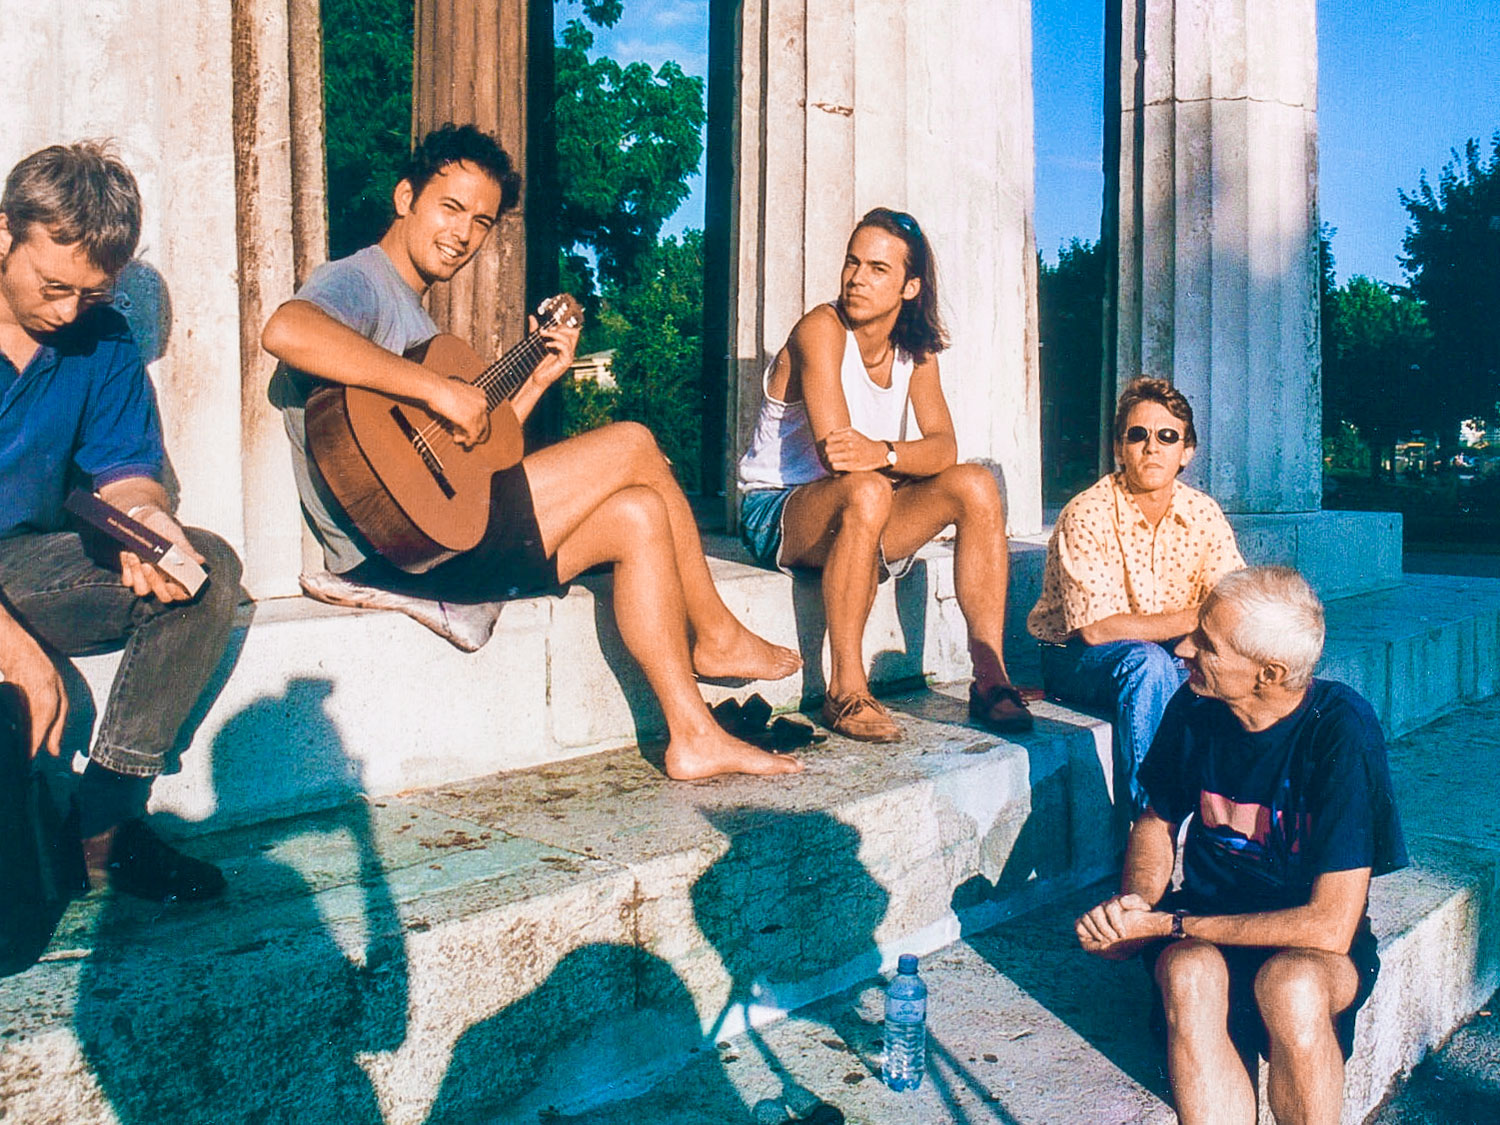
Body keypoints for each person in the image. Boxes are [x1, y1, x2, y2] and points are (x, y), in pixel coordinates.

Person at [262, 123, 801, 782]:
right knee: (633, 441)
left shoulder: (420, 321)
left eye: (481, 221)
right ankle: (716, 634)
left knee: (637, 514)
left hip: (436, 541)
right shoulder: (361, 279)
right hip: (390, 548)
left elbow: (474, 463)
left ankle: (693, 735)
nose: (463, 233)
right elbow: (288, 329)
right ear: (406, 197)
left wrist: (541, 376)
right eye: (450, 207)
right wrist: (436, 389)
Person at [1075, 567, 1407, 1125]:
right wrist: (1135, 908)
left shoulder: (1339, 728)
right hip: (1209, 922)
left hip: (1309, 947)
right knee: (1189, 974)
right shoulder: (1196, 706)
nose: (1183, 648)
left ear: (1268, 674)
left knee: (1292, 985)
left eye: (1208, 643)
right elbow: (1156, 819)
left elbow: (1330, 926)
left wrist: (1167, 926)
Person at [0, 142, 241, 901]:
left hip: (25, 562)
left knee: (204, 571)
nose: (69, 310)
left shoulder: (101, 339)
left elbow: (127, 472)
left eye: (92, 294)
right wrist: (17, 653)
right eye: (54, 285)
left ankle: (104, 823)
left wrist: (147, 523)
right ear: (2, 234)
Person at [736, 208, 1030, 743]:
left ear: (910, 286)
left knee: (976, 485)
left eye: (877, 268)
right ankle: (845, 687)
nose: (856, 278)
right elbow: (837, 457)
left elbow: (946, 447)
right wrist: (890, 461)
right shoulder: (819, 331)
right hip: (777, 510)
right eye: (853, 262)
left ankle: (991, 678)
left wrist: (889, 453)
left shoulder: (915, 352)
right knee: (869, 488)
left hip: (860, 505)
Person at [1028, 377, 1245, 814]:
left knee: (1247, 662)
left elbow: (1238, 601)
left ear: (1186, 452)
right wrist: (1199, 618)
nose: (1152, 447)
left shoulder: (1202, 512)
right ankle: (1153, 819)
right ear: (1119, 448)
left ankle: (1247, 817)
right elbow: (1097, 629)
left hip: (1167, 651)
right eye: (1138, 435)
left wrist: (1195, 637)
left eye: (1167, 436)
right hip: (1077, 659)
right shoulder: (1087, 511)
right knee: (1148, 665)